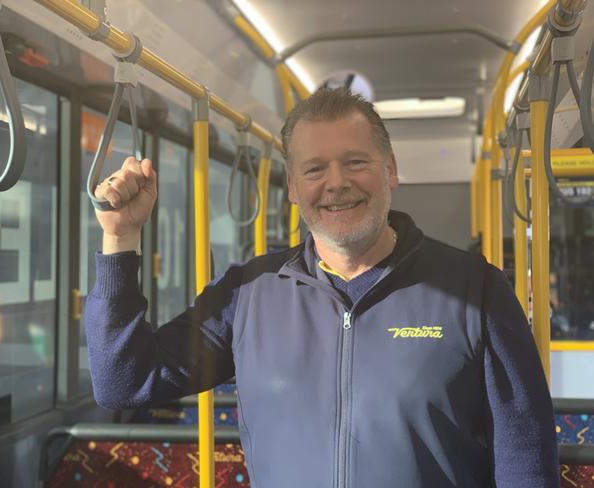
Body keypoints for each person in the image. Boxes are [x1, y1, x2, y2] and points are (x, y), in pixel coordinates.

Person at [85, 88, 559, 487]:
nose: (336, 183)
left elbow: (525, 454)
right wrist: (120, 239)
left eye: (356, 162)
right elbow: (123, 382)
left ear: (390, 169)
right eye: (314, 170)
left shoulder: (475, 290)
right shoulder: (248, 292)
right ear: (292, 187)